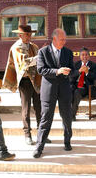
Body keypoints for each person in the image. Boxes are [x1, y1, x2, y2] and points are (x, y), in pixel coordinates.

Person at [3, 25, 50, 145]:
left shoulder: (34, 46)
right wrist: (41, 55)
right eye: (27, 34)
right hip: (24, 82)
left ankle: (42, 134)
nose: (29, 37)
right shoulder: (16, 48)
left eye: (30, 34)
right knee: (26, 108)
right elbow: (25, 62)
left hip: (36, 80)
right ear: (20, 35)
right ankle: (27, 135)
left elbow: (39, 62)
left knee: (39, 108)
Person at [33, 29, 75, 158]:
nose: (65, 41)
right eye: (62, 39)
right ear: (54, 39)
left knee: (67, 117)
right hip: (48, 90)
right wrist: (57, 71)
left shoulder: (68, 52)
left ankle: (67, 142)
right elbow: (41, 70)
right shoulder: (43, 52)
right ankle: (39, 147)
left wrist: (71, 71)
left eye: (65, 39)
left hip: (64, 90)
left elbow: (72, 70)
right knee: (46, 119)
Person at [70, 47, 96, 121]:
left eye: (86, 55)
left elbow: (95, 77)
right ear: (80, 56)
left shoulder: (94, 65)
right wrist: (79, 71)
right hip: (75, 85)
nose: (84, 57)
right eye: (82, 55)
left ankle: (72, 115)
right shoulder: (75, 64)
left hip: (87, 87)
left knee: (77, 92)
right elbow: (71, 76)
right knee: (68, 91)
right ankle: (67, 112)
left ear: (89, 56)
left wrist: (87, 72)